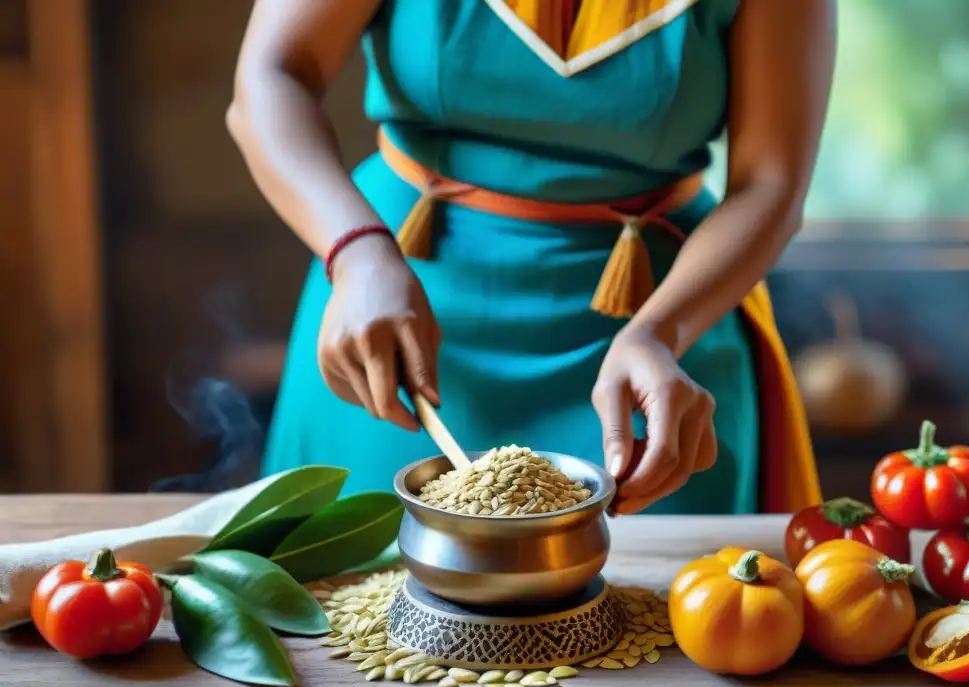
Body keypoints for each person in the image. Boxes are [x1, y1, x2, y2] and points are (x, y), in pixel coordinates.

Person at [228, 0, 836, 515]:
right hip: (394, 297)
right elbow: (272, 74)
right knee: (348, 623)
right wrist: (355, 253)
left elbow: (770, 185)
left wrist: (660, 333)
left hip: (662, 328)